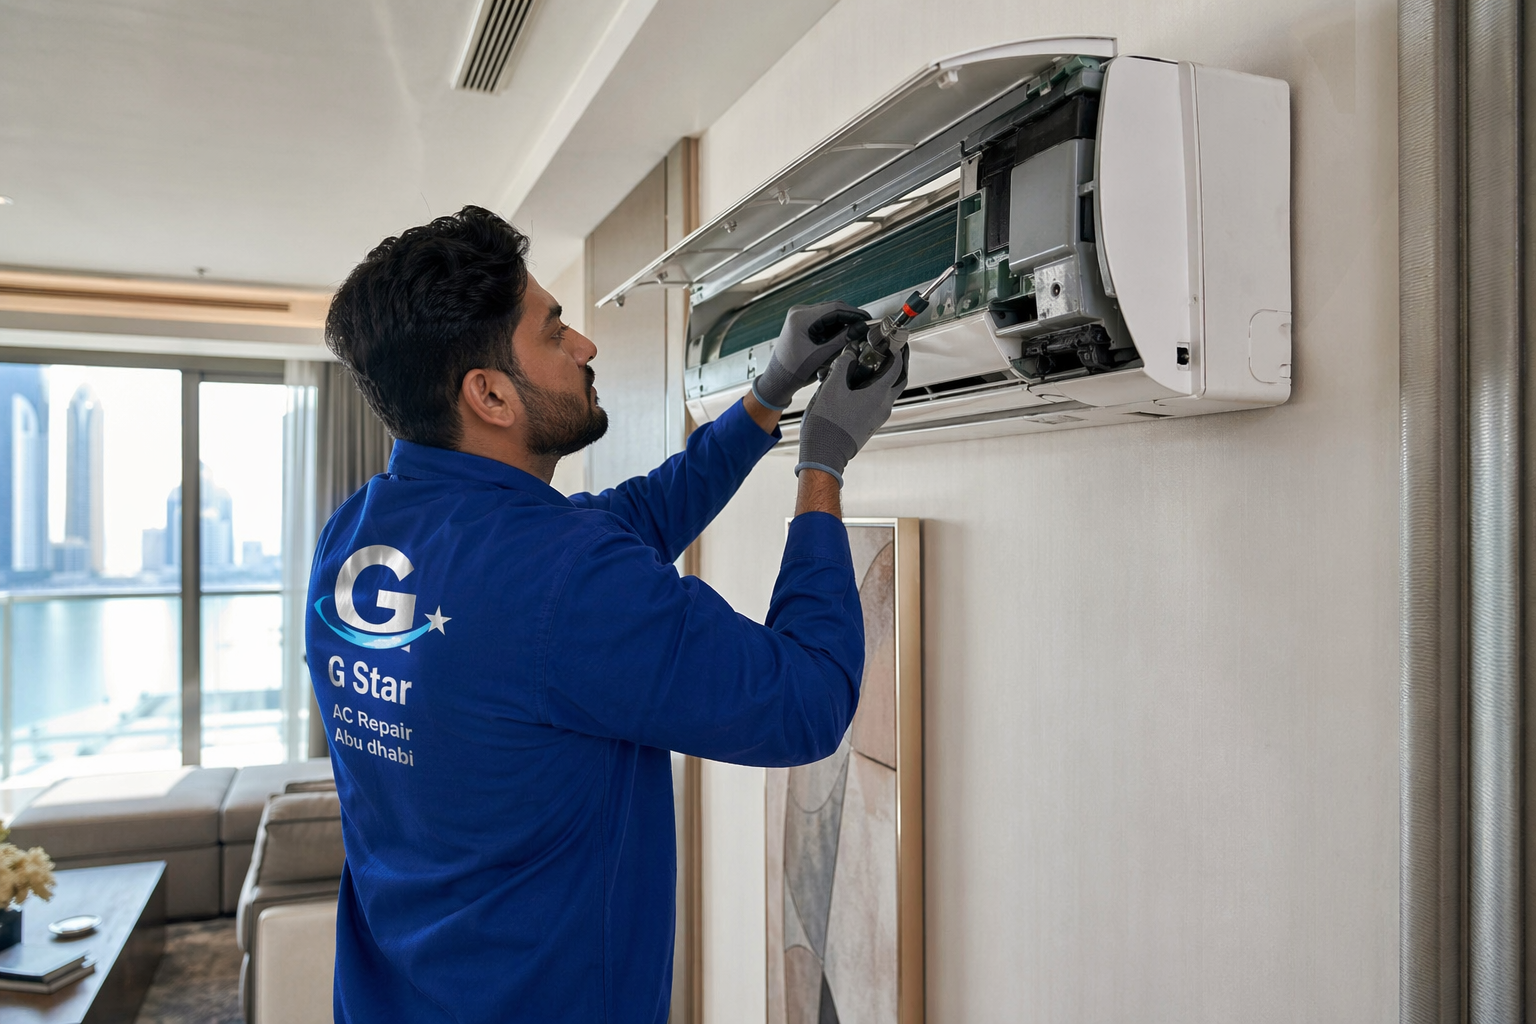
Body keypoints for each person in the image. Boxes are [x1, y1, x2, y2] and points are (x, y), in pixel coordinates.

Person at [308, 205, 908, 1023]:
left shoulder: (357, 535)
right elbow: (805, 705)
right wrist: (824, 466)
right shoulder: (563, 576)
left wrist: (766, 399)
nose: (585, 346)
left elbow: (626, 520)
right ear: (488, 394)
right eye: (554, 332)